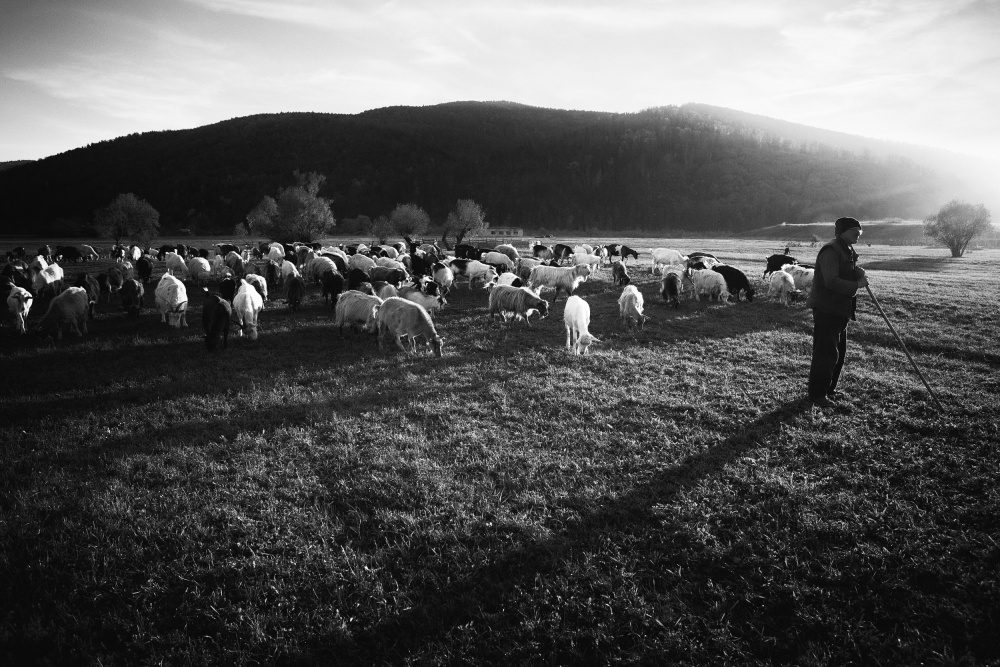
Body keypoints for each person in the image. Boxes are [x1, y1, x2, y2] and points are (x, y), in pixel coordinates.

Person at [806, 217, 868, 408]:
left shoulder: (846, 248)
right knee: (826, 353)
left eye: (859, 231)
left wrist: (856, 271)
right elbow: (831, 281)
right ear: (842, 232)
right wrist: (856, 285)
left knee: (838, 352)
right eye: (854, 231)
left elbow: (843, 270)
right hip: (828, 308)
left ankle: (829, 389)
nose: (858, 233)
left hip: (840, 309)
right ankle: (818, 394)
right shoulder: (831, 250)